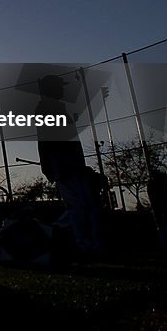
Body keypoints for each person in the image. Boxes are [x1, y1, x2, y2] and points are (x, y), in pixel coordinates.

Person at [35, 74, 102, 256]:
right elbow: (46, 140)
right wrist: (48, 166)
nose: (62, 89)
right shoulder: (48, 108)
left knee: (83, 206)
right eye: (59, 86)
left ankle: (84, 243)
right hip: (65, 166)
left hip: (68, 165)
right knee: (80, 207)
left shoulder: (54, 108)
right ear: (50, 89)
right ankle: (83, 244)